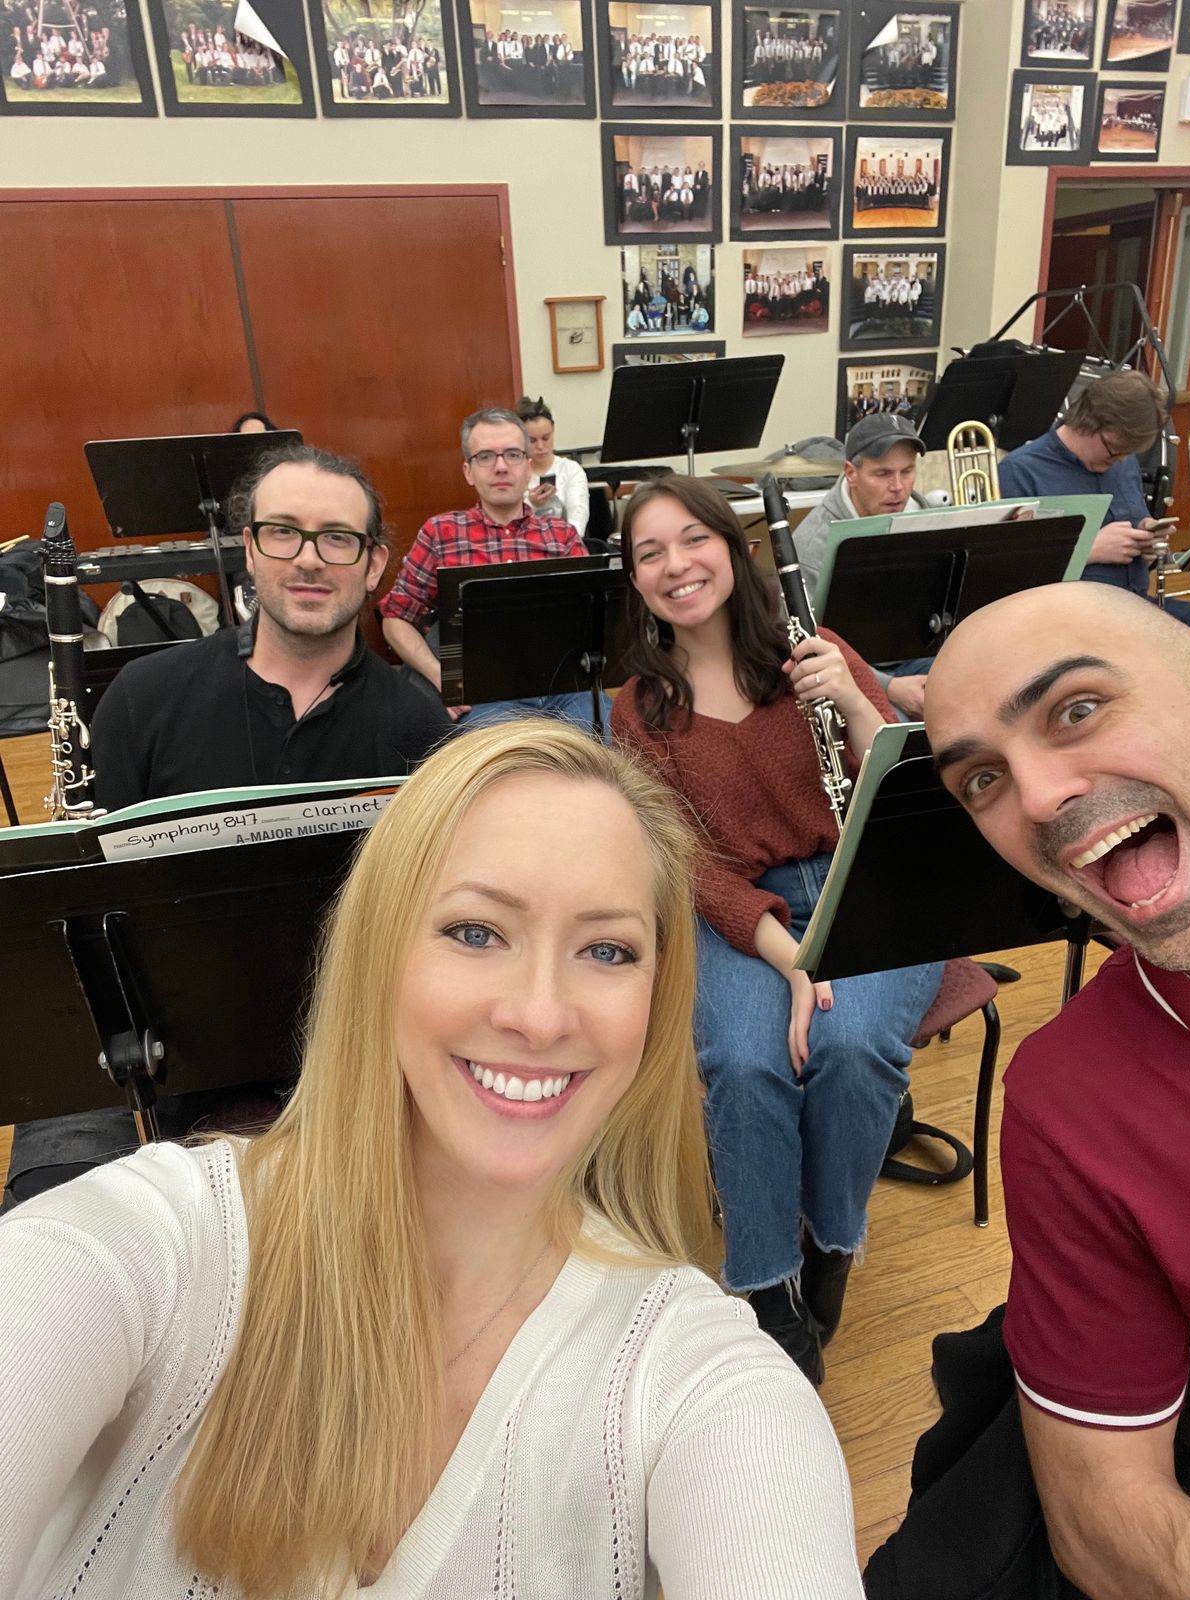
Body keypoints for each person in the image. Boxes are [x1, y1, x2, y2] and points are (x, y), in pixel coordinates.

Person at [0, 721, 867, 1600]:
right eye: (476, 932)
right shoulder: (149, 1247)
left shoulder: (702, 1378)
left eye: (607, 950)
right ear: (379, 951)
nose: (540, 1015)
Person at [611, 475, 943, 1385]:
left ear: (733, 546)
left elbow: (901, 793)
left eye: (694, 540)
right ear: (635, 580)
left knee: (851, 1047)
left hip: (865, 881)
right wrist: (791, 958)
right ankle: (766, 1283)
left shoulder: (816, 647)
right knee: (745, 1062)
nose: (677, 565)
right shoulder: (640, 708)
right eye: (650, 553)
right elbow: (683, 865)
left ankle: (831, 1240)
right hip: (736, 909)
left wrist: (858, 703)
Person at [919, 583, 1190, 1600]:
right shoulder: (1069, 1100)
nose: (1036, 798)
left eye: (1076, 709)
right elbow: (1106, 1529)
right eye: (983, 779)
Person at [91, 444, 452, 812]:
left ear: (373, 565)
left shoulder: (424, 732)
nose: (308, 560)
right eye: (282, 531)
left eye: (337, 537)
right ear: (250, 551)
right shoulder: (140, 699)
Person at [379, 407, 606, 735]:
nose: (501, 467)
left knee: (607, 752)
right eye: (486, 456)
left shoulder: (562, 536)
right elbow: (395, 618)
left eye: (513, 454)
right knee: (513, 763)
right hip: (484, 697)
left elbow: (592, 625)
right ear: (468, 471)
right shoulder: (441, 533)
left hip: (565, 689)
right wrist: (441, 678)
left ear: (528, 467)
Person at [793, 414, 930, 719]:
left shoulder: (924, 513)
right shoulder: (813, 545)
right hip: (854, 676)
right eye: (882, 474)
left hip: (918, 657)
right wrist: (889, 687)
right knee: (897, 731)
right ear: (851, 473)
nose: (898, 487)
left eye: (907, 471)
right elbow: (807, 647)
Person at [998, 369, 1175, 604]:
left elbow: (1139, 551)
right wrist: (1088, 549)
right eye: (1115, 450)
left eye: (1128, 452)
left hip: (1134, 604)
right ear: (1089, 423)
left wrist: (1146, 545)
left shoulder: (1122, 461)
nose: (1121, 459)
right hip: (1068, 614)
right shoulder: (1020, 471)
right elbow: (1009, 573)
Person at [515, 393, 590, 538]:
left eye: (546, 438)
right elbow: (508, 525)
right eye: (532, 440)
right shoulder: (514, 472)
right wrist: (531, 503)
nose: (540, 446)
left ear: (553, 429)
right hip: (524, 545)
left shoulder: (571, 470)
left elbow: (578, 516)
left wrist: (568, 543)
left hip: (566, 543)